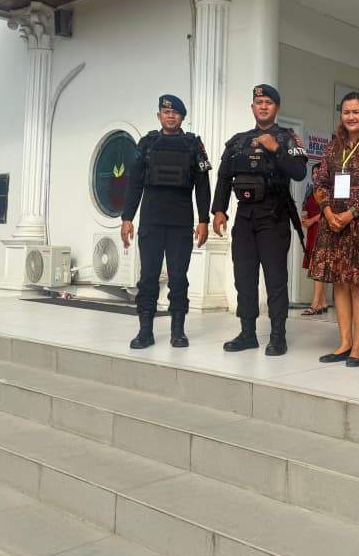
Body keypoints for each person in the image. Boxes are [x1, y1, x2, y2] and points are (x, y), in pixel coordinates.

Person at [212, 84, 308, 355]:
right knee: (244, 277)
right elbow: (223, 177)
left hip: (273, 216)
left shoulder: (288, 138)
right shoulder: (238, 141)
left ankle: (278, 335)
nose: (263, 106)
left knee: (275, 279)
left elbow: (299, 172)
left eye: (268, 102)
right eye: (259, 102)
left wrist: (276, 148)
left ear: (276, 107)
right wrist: (219, 210)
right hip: (244, 217)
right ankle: (247, 333)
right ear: (252, 107)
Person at [121, 95, 212, 349]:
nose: (170, 116)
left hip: (181, 223)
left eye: (175, 113)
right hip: (151, 221)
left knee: (178, 278)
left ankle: (178, 332)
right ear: (159, 115)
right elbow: (134, 182)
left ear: (182, 117)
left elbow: (203, 185)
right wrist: (127, 218)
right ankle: (145, 332)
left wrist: (204, 219)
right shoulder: (147, 143)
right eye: (166, 112)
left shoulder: (193, 145)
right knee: (148, 278)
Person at [310, 92, 359, 367]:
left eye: (356, 112)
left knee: (358, 284)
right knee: (340, 283)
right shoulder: (334, 146)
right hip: (333, 222)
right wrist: (328, 211)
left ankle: (358, 346)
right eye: (346, 112)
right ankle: (344, 343)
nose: (351, 117)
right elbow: (320, 181)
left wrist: (351, 212)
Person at [300, 163, 330, 316]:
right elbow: (305, 207)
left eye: (318, 172)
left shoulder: (327, 190)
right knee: (315, 267)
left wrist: (312, 220)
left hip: (323, 230)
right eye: (313, 172)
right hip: (312, 231)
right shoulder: (310, 190)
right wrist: (305, 218)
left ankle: (315, 304)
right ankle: (323, 302)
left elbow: (328, 211)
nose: (314, 175)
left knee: (319, 267)